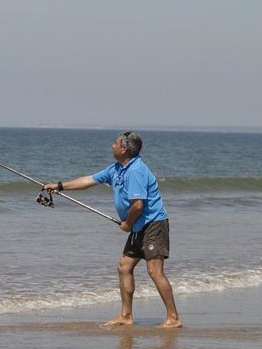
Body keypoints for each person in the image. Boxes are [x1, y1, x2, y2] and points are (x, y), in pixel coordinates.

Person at [44, 132, 182, 328]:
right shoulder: (117, 168)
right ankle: (126, 316)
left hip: (153, 224)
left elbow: (138, 206)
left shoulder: (135, 171)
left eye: (115, 143)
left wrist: (126, 224)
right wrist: (59, 186)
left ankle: (173, 318)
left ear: (124, 149)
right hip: (138, 225)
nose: (112, 146)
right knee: (124, 267)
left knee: (154, 271)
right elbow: (89, 180)